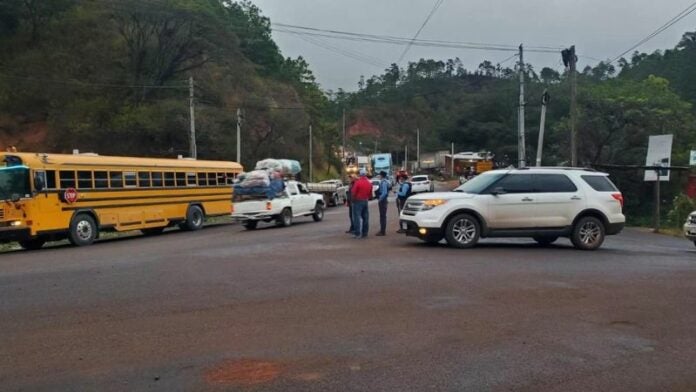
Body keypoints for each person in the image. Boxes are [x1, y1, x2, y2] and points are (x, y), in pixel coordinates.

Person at [351, 168, 372, 239]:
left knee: (357, 217)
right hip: (365, 200)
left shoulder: (358, 182)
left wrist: (353, 200)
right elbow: (370, 194)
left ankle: (357, 233)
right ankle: (365, 233)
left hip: (358, 201)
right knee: (365, 217)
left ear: (360, 174)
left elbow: (353, 192)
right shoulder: (369, 183)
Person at [376, 170, 390, 236]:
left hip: (383, 200)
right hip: (384, 199)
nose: (379, 176)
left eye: (380, 175)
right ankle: (382, 230)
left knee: (382, 216)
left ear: (381, 175)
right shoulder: (386, 181)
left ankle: (382, 231)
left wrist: (380, 199)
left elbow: (384, 192)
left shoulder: (383, 182)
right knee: (382, 215)